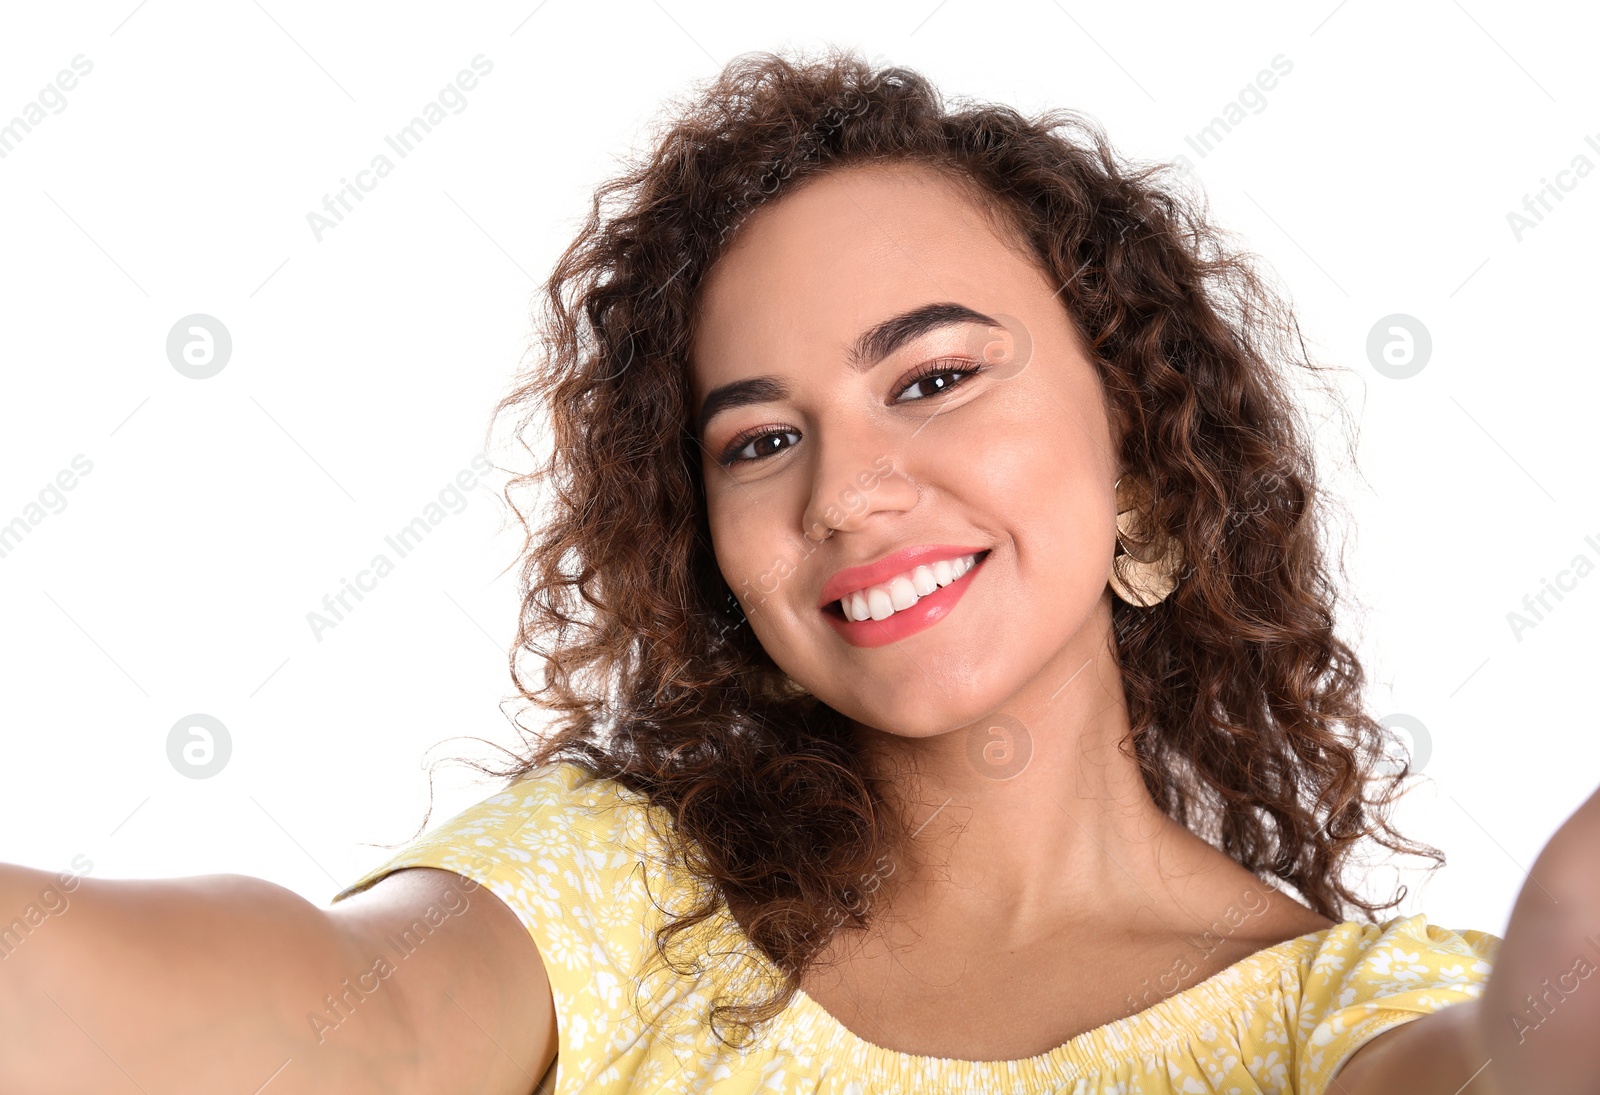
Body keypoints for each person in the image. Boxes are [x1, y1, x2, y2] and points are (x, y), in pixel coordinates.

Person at [2, 46, 1596, 1095]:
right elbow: (328, 1021)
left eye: (932, 380)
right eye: (760, 441)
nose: (848, 492)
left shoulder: (1342, 1016)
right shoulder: (625, 900)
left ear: (1141, 456)